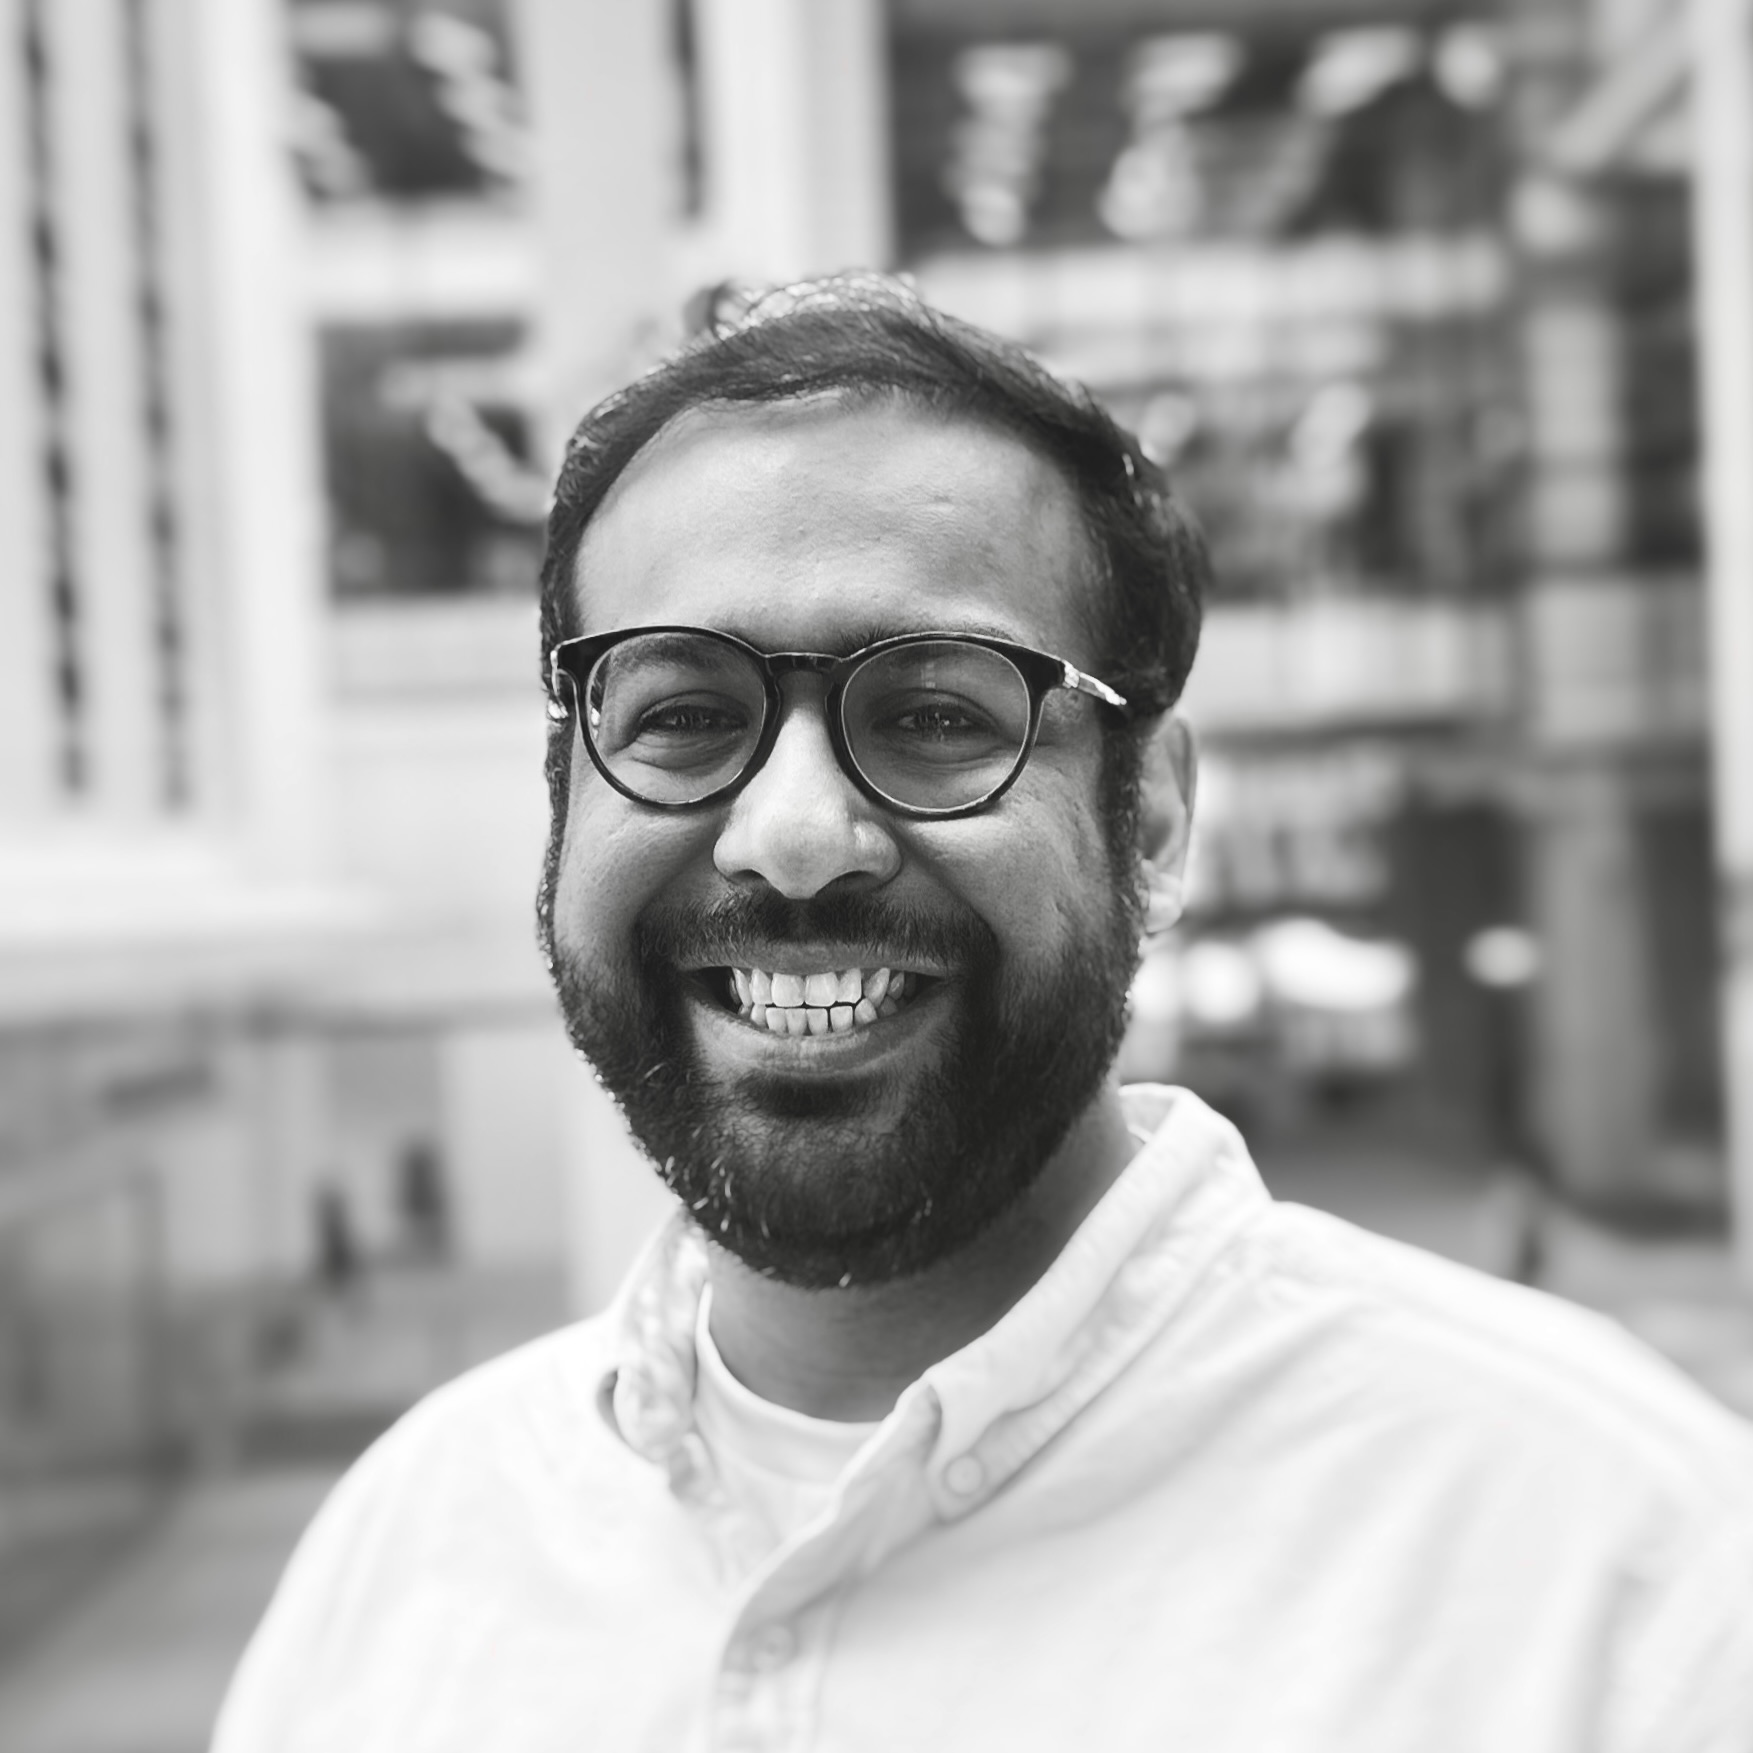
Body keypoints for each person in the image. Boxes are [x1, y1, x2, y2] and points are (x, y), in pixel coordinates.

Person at [214, 276, 1753, 1751]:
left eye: (938, 712)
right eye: (679, 714)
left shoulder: (1610, 1572)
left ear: (1151, 819)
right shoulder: (410, 1559)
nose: (791, 835)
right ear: (564, 801)